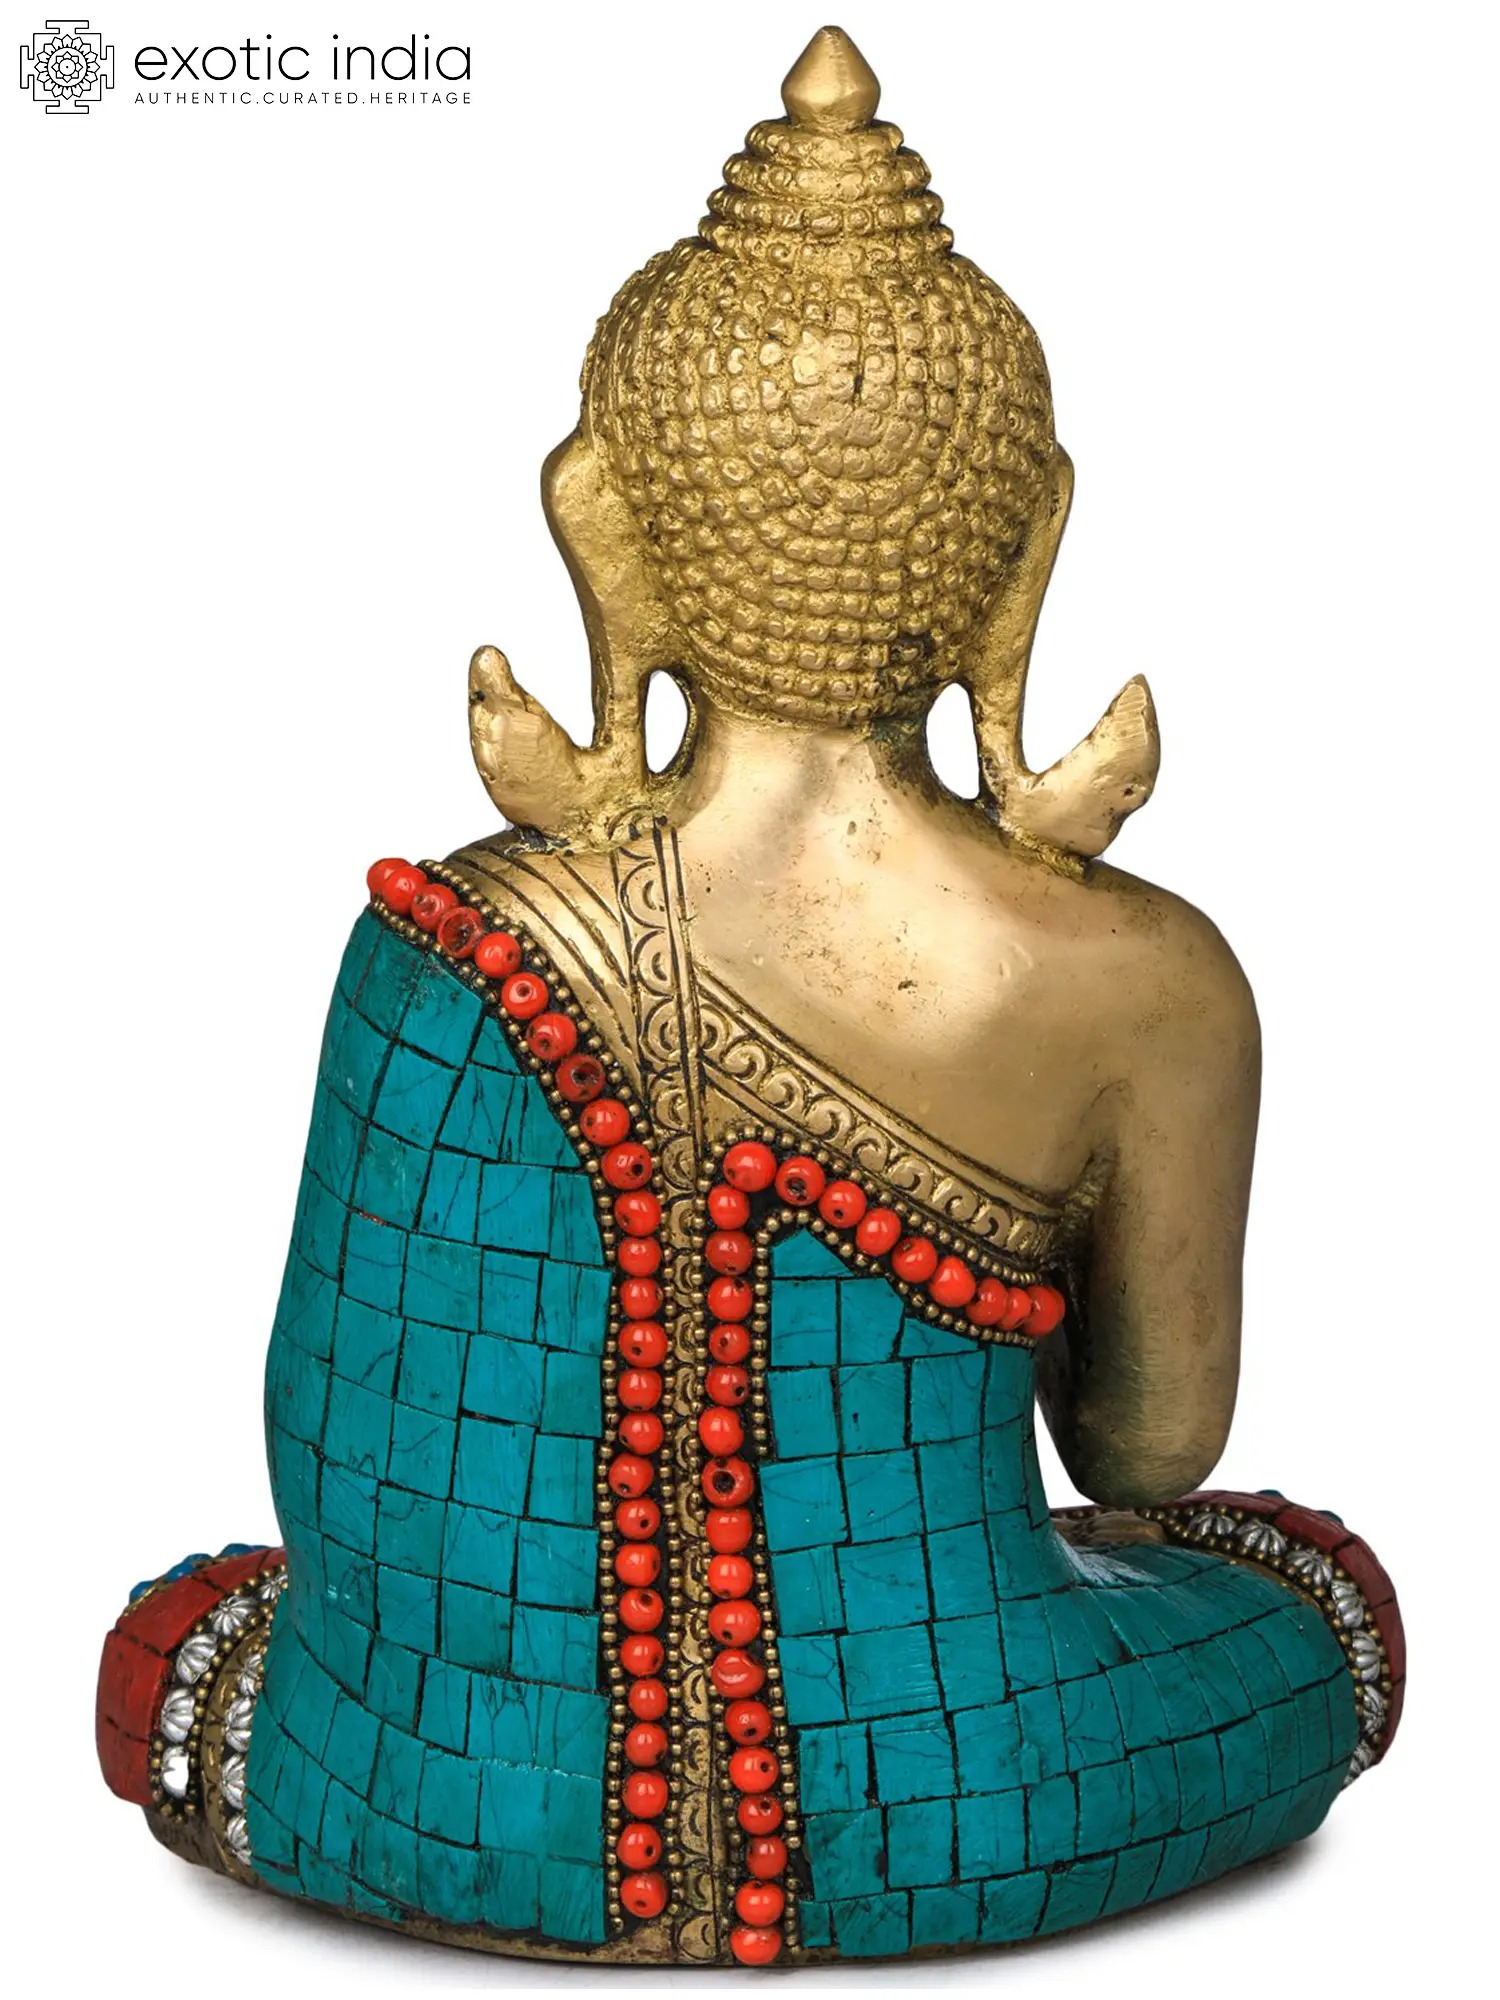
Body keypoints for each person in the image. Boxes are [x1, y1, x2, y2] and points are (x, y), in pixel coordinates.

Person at [96, 27, 1402, 1968]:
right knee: (1322, 1608)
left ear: (595, 515)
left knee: (177, 1651)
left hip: (452, 1806)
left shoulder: (443, 946)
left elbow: (338, 1451)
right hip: (971, 1793)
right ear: (1029, 538)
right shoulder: (1144, 980)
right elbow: (1143, 1458)